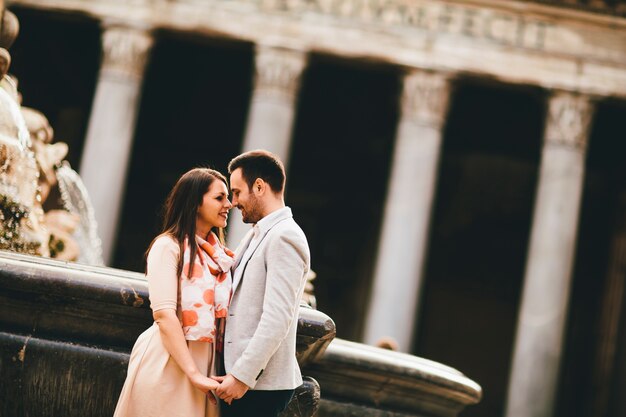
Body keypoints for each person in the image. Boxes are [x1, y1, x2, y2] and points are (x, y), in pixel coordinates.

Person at [114, 168, 234, 417]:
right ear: (195, 202)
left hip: (205, 368)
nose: (229, 204)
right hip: (168, 364)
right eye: (219, 198)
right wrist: (193, 374)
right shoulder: (167, 247)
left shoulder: (221, 257)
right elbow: (164, 315)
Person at [214, 150, 311, 417]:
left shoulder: (285, 236)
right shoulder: (258, 233)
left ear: (259, 186)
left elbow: (278, 317)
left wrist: (242, 376)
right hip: (246, 381)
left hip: (258, 386)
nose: (233, 202)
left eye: (237, 192)